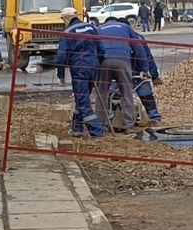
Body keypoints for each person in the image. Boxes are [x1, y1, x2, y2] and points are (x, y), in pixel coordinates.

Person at [56, 7, 105, 139]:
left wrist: (61, 75)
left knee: (83, 101)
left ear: (66, 18)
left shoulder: (67, 32)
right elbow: (101, 49)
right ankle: (77, 128)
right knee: (81, 98)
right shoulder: (90, 27)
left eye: (62, 19)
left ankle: (97, 132)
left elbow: (61, 56)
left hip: (79, 69)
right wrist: (97, 65)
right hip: (93, 67)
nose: (63, 22)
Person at [95, 17, 140, 133]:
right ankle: (128, 126)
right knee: (126, 93)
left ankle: (102, 125)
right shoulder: (125, 27)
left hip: (104, 61)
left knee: (102, 94)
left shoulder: (99, 29)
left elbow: (94, 49)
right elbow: (137, 48)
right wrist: (144, 68)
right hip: (122, 61)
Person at [130, 26, 162, 124]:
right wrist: (153, 75)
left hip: (117, 72)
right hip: (137, 72)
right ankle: (154, 117)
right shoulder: (138, 37)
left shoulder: (108, 37)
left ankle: (112, 117)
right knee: (146, 94)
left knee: (114, 94)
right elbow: (147, 57)